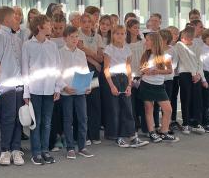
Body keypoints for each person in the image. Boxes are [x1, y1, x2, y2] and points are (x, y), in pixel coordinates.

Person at [22, 14, 62, 165]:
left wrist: (57, 87)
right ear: (39, 27)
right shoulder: (27, 45)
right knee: (36, 123)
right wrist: (26, 92)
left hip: (50, 89)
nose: (51, 26)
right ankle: (36, 152)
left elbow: (57, 67)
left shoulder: (52, 45)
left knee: (47, 122)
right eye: (48, 24)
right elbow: (25, 70)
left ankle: (45, 150)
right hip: (34, 90)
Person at [103, 25, 148, 148]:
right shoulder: (109, 49)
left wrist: (129, 84)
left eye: (122, 34)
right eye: (117, 33)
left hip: (124, 79)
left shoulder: (127, 49)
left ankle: (132, 136)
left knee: (128, 108)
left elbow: (128, 68)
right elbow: (106, 69)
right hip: (113, 79)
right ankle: (118, 137)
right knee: (115, 109)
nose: (120, 36)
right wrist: (112, 86)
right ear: (113, 35)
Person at [0, 6, 25, 166]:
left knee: (19, 117)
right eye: (14, 17)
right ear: (6, 20)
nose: (17, 19)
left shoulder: (17, 38)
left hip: (19, 83)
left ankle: (16, 148)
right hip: (6, 84)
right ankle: (5, 149)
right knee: (7, 117)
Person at [59, 26, 94, 159]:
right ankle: (70, 148)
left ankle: (82, 146)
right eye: (71, 37)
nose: (74, 39)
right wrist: (64, 87)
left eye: (76, 37)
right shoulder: (60, 53)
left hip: (80, 91)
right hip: (67, 91)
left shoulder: (81, 53)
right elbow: (58, 73)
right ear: (65, 38)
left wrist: (88, 85)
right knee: (68, 119)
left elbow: (85, 71)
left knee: (83, 118)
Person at [139, 33, 179, 143]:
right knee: (149, 108)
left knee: (168, 109)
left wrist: (158, 71)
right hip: (146, 84)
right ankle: (152, 132)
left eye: (147, 40)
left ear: (154, 42)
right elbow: (141, 69)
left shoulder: (165, 56)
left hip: (159, 86)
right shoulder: (146, 55)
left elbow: (170, 71)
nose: (145, 42)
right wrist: (144, 70)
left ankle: (164, 131)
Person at [173, 26, 206, 135]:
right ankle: (185, 123)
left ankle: (196, 123)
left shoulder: (197, 46)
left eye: (187, 37)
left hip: (196, 75)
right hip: (185, 74)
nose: (184, 39)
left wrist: (199, 75)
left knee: (197, 99)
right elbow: (185, 59)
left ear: (192, 37)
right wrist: (193, 73)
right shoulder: (179, 45)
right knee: (185, 98)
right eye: (183, 37)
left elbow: (200, 62)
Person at [78, 13, 103, 145]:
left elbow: (101, 57)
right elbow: (81, 52)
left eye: (90, 22)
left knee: (94, 101)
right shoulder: (78, 35)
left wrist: (93, 57)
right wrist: (95, 60)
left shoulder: (98, 37)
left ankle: (94, 134)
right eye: (84, 21)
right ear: (80, 23)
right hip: (83, 69)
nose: (87, 24)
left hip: (93, 72)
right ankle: (84, 135)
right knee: (83, 102)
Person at [126, 19, 147, 135]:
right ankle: (133, 127)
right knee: (131, 103)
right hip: (130, 75)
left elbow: (145, 56)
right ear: (129, 28)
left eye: (138, 27)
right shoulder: (125, 43)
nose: (137, 30)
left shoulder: (142, 42)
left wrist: (144, 71)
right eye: (134, 27)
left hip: (141, 74)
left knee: (142, 102)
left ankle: (145, 128)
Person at [49, 13, 66, 151]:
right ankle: (55, 138)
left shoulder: (67, 39)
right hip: (54, 79)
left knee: (65, 111)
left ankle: (64, 135)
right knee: (55, 111)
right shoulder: (49, 40)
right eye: (55, 27)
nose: (58, 30)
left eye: (61, 28)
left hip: (66, 78)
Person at [165, 26, 182, 131]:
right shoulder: (164, 46)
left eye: (177, 33)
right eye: (173, 33)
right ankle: (165, 121)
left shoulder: (179, 46)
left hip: (176, 76)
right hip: (165, 76)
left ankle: (173, 119)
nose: (175, 35)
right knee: (166, 99)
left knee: (174, 98)